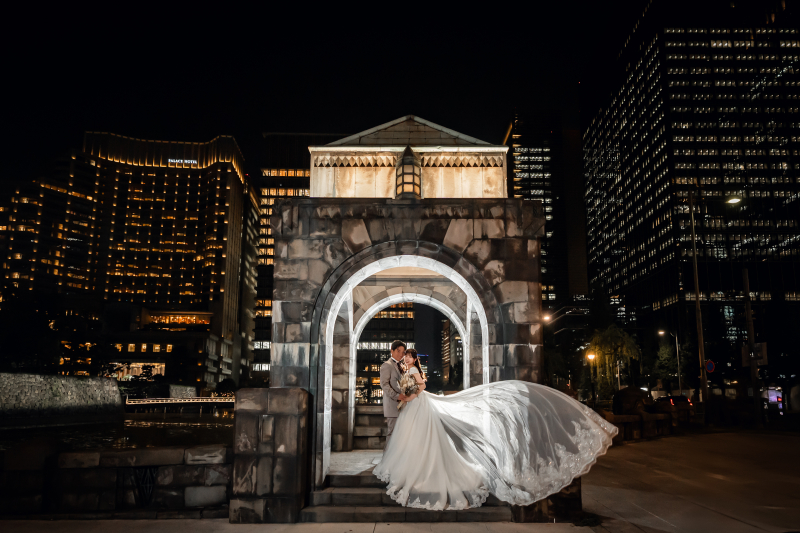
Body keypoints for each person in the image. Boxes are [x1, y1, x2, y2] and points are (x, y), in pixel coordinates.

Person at [374, 362, 619, 511]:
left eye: (407, 355)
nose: (406, 358)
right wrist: (407, 395)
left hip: (417, 404)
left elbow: (420, 387)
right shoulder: (403, 368)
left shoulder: (413, 368)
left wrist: (409, 395)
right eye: (404, 355)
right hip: (414, 406)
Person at [379, 340, 409, 446]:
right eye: (398, 351)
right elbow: (384, 385)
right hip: (393, 406)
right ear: (391, 350)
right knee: (392, 434)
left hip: (402, 405)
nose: (401, 354)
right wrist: (397, 396)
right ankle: (387, 460)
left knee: (400, 435)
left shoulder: (400, 365)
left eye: (403, 352)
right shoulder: (387, 365)